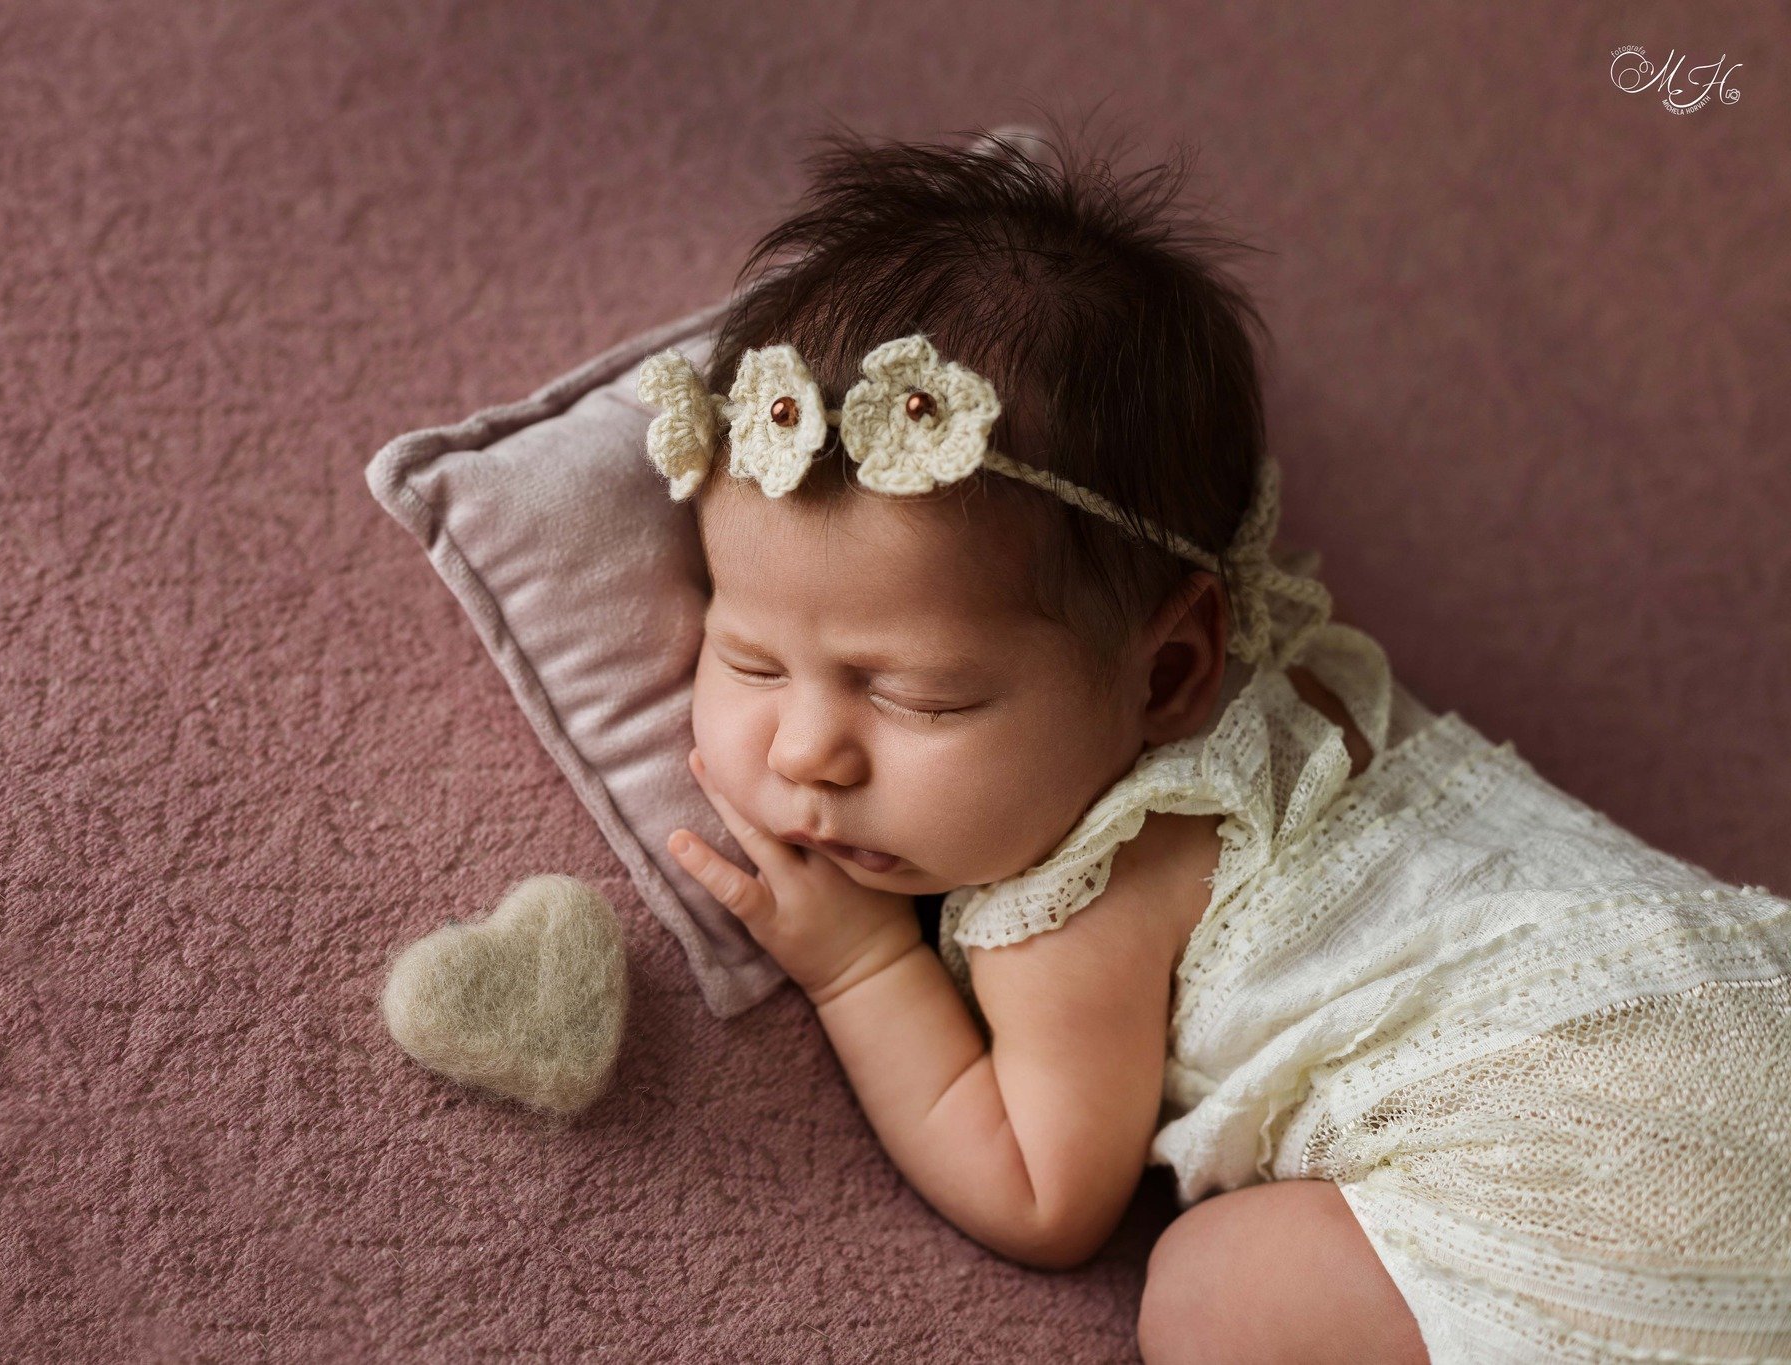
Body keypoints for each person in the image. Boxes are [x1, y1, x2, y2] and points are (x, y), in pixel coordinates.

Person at [642, 122, 1791, 1364]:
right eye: (749, 660)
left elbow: (1039, 1196)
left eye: (919, 698)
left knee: (1208, 1290)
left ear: (1172, 671)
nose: (806, 753)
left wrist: (860, 967)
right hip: (1724, 1002)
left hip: (1585, 1167)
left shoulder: (1079, 897)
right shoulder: (1293, 661)